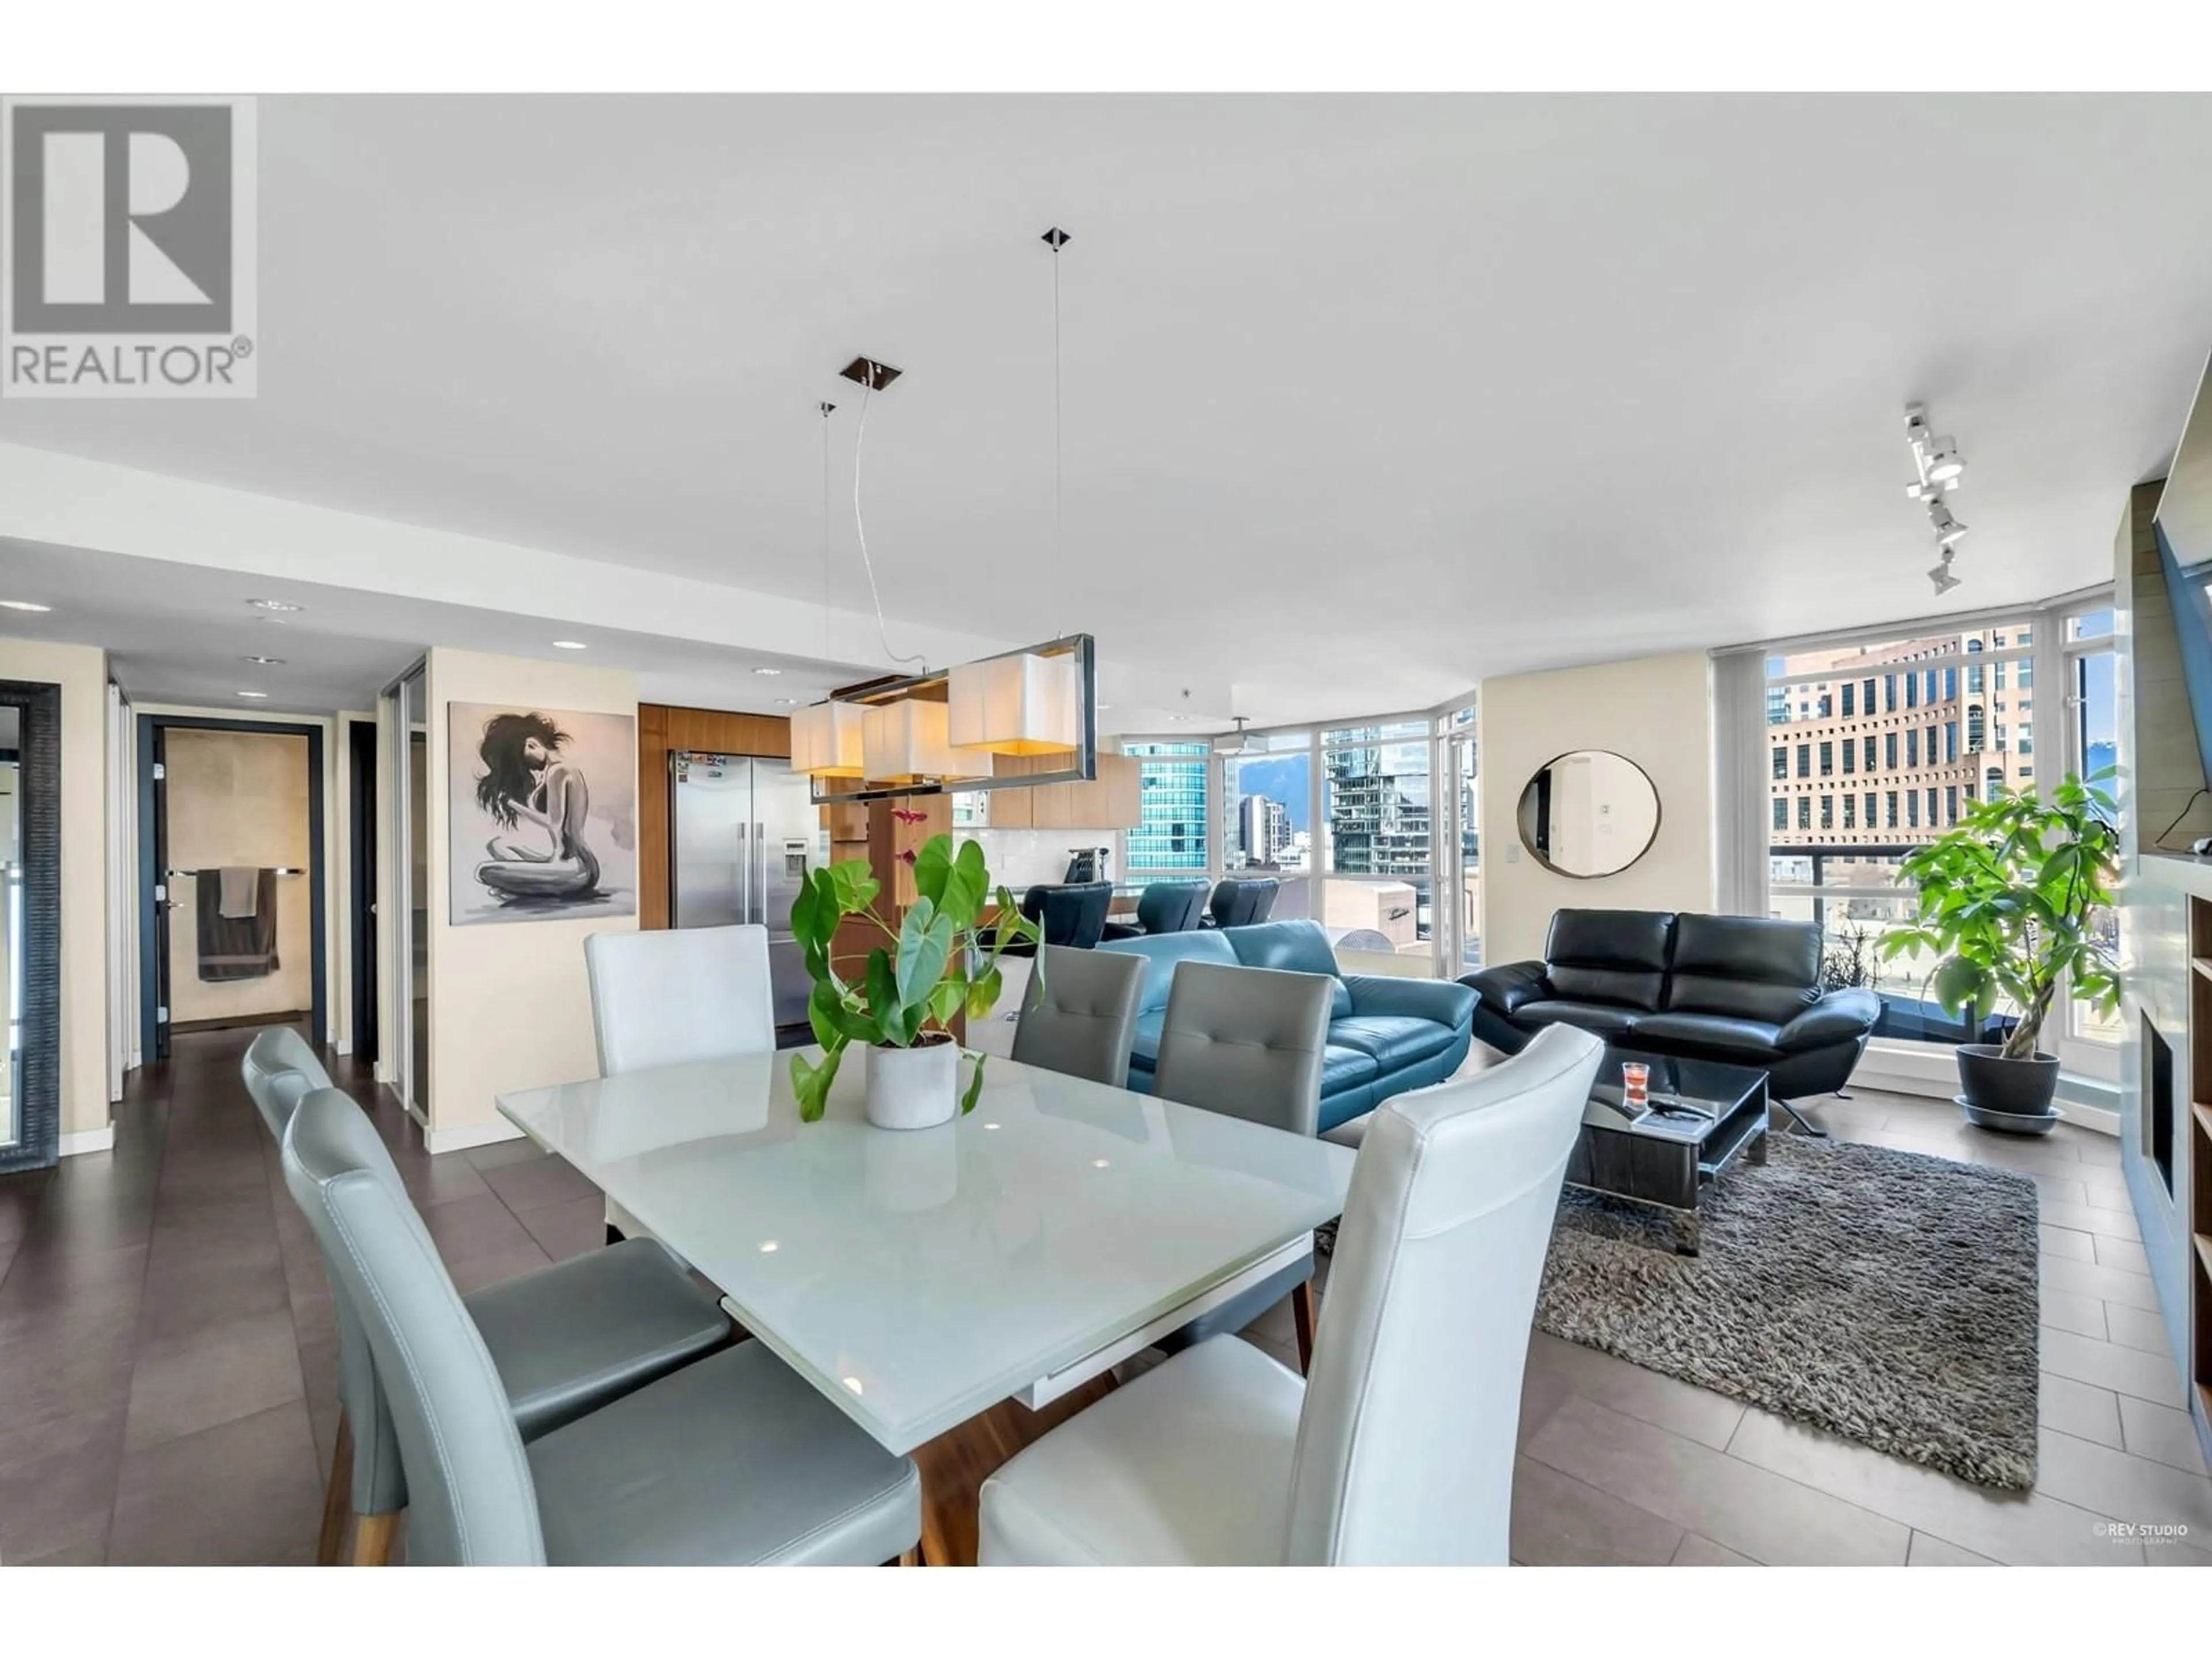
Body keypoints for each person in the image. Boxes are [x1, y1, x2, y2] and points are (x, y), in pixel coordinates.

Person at [472, 712, 602, 903]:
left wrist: (513, 804)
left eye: (525, 761)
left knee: (483, 871)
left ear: (532, 744)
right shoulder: (556, 771)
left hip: (576, 869)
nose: (529, 768)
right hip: (560, 862)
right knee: (498, 845)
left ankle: (528, 889)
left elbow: (554, 823)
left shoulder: (559, 771)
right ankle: (531, 886)